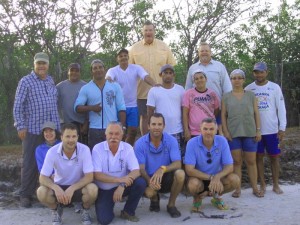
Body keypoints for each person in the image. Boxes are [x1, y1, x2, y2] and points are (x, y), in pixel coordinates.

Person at [13, 52, 60, 208]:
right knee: (30, 163)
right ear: (34, 64)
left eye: (44, 63)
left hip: (51, 129)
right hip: (32, 128)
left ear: (48, 65)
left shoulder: (50, 80)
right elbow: (18, 106)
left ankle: (51, 192)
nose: (41, 66)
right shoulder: (25, 81)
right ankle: (25, 194)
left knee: (53, 161)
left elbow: (53, 105)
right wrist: (20, 125)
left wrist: (58, 127)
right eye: (38, 63)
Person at [36, 123, 98, 225]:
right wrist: (55, 188)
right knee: (41, 192)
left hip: (78, 187)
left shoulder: (84, 149)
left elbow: (89, 176)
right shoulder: (52, 152)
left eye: (74, 136)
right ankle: (56, 210)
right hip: (59, 187)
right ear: (61, 137)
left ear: (78, 137)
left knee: (93, 189)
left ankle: (85, 210)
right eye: (67, 136)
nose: (71, 140)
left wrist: (72, 188)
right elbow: (42, 178)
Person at [92, 122, 147, 225]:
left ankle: (128, 211)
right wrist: (119, 180)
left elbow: (136, 171)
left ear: (122, 135)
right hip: (105, 190)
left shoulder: (127, 148)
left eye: (117, 134)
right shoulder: (97, 149)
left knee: (140, 182)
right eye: (110, 133)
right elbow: (96, 174)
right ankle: (105, 205)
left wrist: (122, 185)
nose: (113, 137)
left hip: (123, 186)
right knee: (104, 220)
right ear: (106, 134)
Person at [245, 62, 287, 194]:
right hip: (255, 131)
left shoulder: (274, 88)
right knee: (258, 158)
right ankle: (262, 184)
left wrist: (282, 128)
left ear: (266, 72)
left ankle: (275, 184)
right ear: (254, 73)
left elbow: (281, 108)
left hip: (272, 130)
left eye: (261, 72)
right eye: (256, 72)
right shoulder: (249, 89)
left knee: (274, 157)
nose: (259, 74)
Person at [129, 20, 176, 136]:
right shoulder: (134, 49)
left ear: (154, 31)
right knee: (144, 117)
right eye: (146, 30)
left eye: (150, 30)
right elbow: (129, 70)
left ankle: (163, 141)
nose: (148, 32)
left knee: (162, 116)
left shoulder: (164, 46)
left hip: (162, 91)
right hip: (142, 92)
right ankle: (146, 141)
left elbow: (171, 67)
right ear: (142, 32)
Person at [134, 113, 185, 218]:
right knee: (149, 192)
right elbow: (141, 169)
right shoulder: (140, 143)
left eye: (159, 124)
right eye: (153, 124)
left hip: (165, 175)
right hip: (149, 177)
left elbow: (177, 163)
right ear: (148, 126)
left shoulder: (171, 140)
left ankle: (171, 205)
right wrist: (150, 182)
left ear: (164, 126)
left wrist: (163, 169)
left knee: (180, 174)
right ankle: (154, 199)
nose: (156, 127)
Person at [221, 69, 263, 198]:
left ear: (244, 80)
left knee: (251, 161)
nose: (237, 80)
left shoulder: (250, 95)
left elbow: (256, 113)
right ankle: (237, 188)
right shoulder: (226, 96)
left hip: (250, 132)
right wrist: (225, 131)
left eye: (239, 78)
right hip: (233, 134)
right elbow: (223, 115)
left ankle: (255, 188)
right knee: (236, 161)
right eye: (234, 78)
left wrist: (258, 130)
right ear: (231, 80)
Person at [184, 118, 239, 212]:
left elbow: (229, 166)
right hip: (200, 178)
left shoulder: (222, 141)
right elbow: (189, 170)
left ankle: (216, 197)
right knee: (193, 184)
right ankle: (197, 198)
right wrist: (211, 177)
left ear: (216, 130)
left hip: (218, 179)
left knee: (235, 180)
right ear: (200, 129)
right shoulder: (192, 143)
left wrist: (217, 177)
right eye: (205, 129)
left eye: (211, 129)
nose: (208, 132)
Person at [106, 49, 157, 146]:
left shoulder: (136, 68)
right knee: (119, 131)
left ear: (128, 57)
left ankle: (128, 149)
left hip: (133, 106)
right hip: (118, 107)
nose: (123, 57)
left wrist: (155, 84)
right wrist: (108, 80)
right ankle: (118, 150)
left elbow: (145, 76)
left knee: (133, 131)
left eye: (125, 55)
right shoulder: (112, 70)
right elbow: (108, 78)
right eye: (121, 56)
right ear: (117, 59)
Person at [74, 59, 126, 149]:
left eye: (100, 67)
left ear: (104, 69)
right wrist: (91, 108)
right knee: (95, 157)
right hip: (94, 129)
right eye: (95, 68)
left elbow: (121, 107)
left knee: (113, 155)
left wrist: (122, 126)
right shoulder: (86, 88)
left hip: (112, 128)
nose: (98, 70)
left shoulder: (114, 86)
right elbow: (77, 107)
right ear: (91, 71)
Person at [35, 121, 83, 213]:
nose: (48, 134)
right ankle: (56, 207)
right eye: (46, 132)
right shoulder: (39, 149)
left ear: (56, 132)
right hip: (50, 176)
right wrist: (52, 175)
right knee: (42, 189)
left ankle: (77, 201)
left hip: (66, 175)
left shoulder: (64, 144)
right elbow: (41, 168)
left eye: (51, 131)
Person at [185, 42, 232, 134]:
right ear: (198, 53)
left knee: (217, 138)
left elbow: (227, 88)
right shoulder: (192, 68)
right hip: (197, 112)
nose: (204, 52)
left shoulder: (219, 66)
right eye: (202, 51)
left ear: (211, 52)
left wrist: (226, 107)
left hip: (217, 111)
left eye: (206, 50)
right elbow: (188, 89)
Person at [147, 64, 185, 156]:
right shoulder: (154, 90)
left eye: (170, 73)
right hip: (160, 131)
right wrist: (151, 129)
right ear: (161, 75)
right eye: (165, 73)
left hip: (177, 130)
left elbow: (184, 110)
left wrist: (185, 128)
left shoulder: (180, 89)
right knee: (161, 157)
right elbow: (150, 111)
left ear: (173, 75)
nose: (168, 75)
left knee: (177, 157)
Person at [182, 69, 219, 142]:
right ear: (194, 81)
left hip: (210, 131)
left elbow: (216, 111)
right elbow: (185, 113)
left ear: (206, 79)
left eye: (201, 77)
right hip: (194, 132)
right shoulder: (188, 94)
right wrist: (186, 130)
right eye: (196, 79)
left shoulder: (212, 94)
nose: (199, 80)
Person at [57, 63, 88, 145]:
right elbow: (55, 105)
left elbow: (89, 106)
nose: (74, 73)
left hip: (80, 125)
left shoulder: (86, 86)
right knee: (66, 148)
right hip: (65, 124)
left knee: (80, 149)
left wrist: (86, 124)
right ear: (68, 72)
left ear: (80, 72)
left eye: (77, 71)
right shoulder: (60, 87)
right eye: (72, 70)